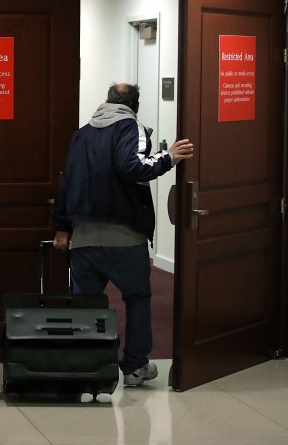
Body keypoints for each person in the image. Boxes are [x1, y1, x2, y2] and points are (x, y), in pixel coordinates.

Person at [52, 82, 193, 387]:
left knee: (86, 304)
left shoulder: (82, 133)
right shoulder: (132, 127)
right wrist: (169, 158)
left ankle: (87, 366)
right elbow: (133, 167)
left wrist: (62, 225)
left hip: (84, 237)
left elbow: (67, 180)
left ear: (106, 101)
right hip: (124, 237)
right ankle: (134, 368)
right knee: (137, 298)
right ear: (135, 105)